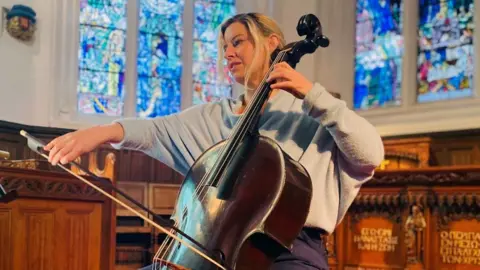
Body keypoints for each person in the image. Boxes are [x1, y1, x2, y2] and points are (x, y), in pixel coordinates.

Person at [44, 12, 384, 270]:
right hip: (214, 249)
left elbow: (370, 152)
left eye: (238, 42)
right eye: (224, 47)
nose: (228, 54)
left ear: (271, 44)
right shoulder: (214, 117)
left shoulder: (313, 112)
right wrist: (97, 133)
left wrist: (311, 93)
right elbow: (153, 131)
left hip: (290, 251)